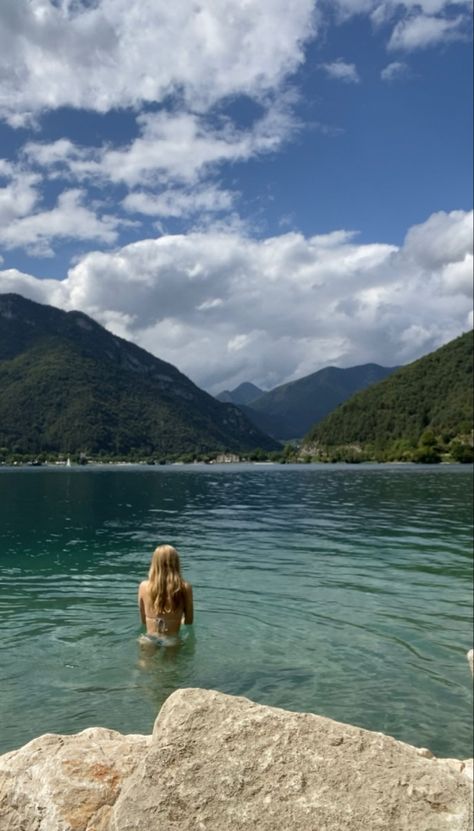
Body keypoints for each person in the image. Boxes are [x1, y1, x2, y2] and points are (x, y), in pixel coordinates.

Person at [138, 544, 193, 646]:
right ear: (176, 563)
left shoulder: (143, 586)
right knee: (172, 662)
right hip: (172, 639)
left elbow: (143, 620)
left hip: (149, 638)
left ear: (154, 563)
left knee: (145, 662)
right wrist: (180, 619)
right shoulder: (185, 587)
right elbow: (189, 621)